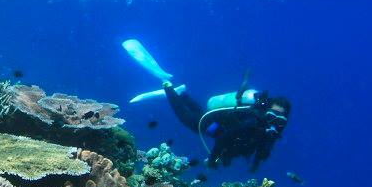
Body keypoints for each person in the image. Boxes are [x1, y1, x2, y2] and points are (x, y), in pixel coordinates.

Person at [122, 39, 290, 171]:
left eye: (279, 120)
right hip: (215, 125)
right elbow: (226, 138)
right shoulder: (253, 121)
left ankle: (182, 93)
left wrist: (254, 165)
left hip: (217, 124)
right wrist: (212, 160)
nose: (273, 123)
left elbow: (260, 149)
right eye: (271, 116)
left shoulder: (270, 133)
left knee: (200, 115)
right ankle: (167, 84)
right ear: (265, 111)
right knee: (186, 117)